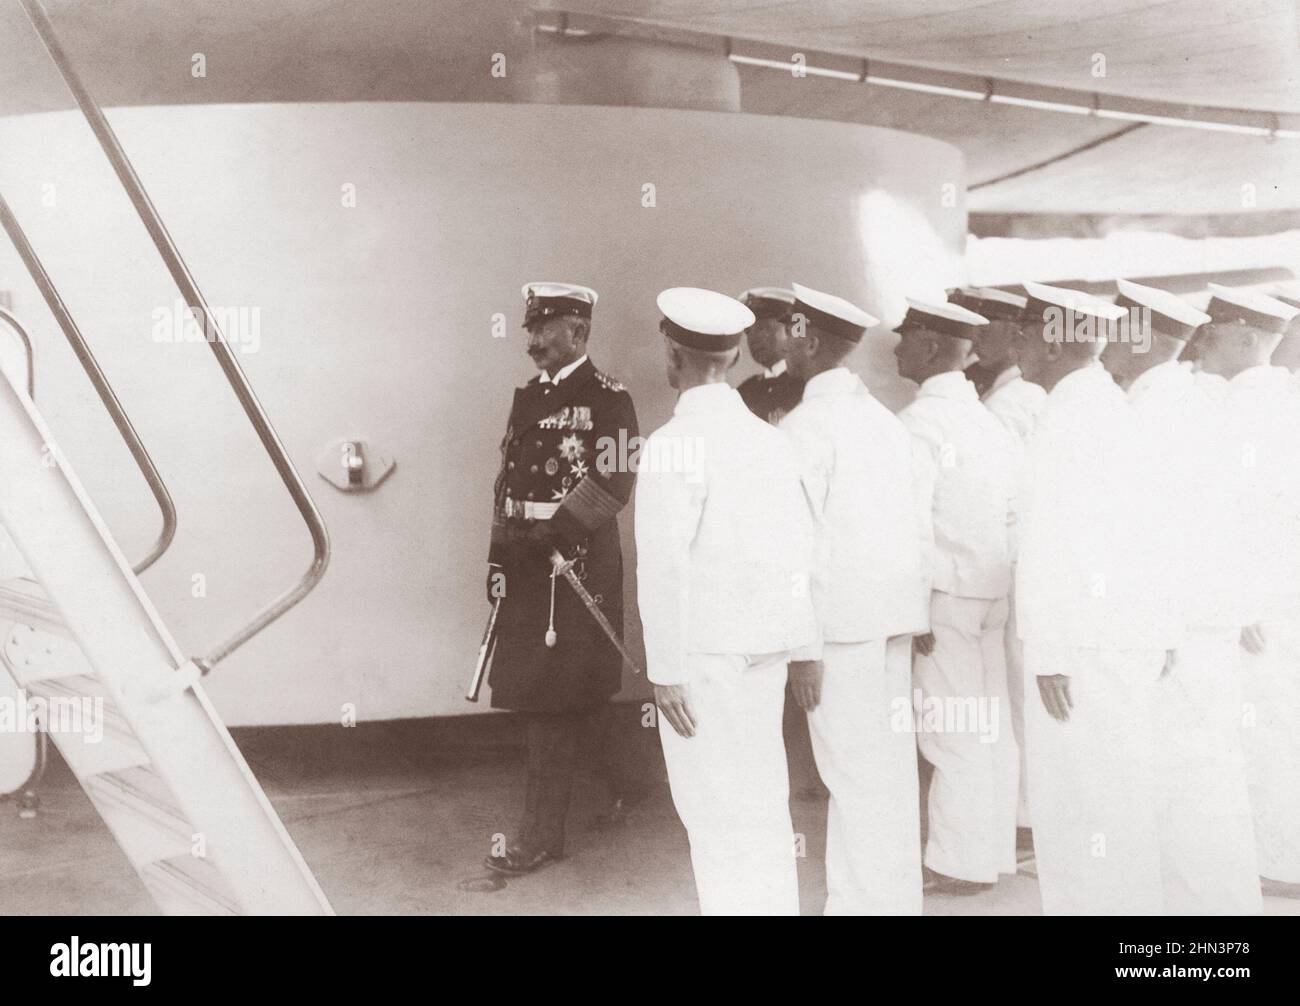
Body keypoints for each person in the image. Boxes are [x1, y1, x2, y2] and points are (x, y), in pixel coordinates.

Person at [635, 286, 819, 916]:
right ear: (736, 356)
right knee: (764, 804)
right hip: (764, 649)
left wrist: (664, 672)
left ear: (672, 355)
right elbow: (801, 551)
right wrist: (803, 648)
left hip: (704, 657)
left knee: (713, 814)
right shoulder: (771, 439)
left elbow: (664, 565)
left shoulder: (672, 443)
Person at [1013, 281, 1179, 914]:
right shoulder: (1113, 406)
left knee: (1078, 808)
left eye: (1024, 332)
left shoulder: (1067, 418)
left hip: (1081, 641)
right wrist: (1162, 629)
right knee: (1119, 797)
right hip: (1125, 634)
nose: (1016, 344)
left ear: (1048, 340)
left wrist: (1047, 649)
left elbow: (1051, 537)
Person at [1102, 278, 1261, 914]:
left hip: (1179, 629)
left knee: (1187, 781)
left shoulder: (1154, 413)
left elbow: (1159, 534)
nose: (1102, 345)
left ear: (1139, 339)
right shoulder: (1186, 404)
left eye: (1113, 331)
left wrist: (1156, 627)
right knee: (1203, 777)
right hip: (1199, 622)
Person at [779, 282, 928, 915]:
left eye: (788, 330)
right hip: (891, 625)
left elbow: (798, 547)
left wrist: (802, 649)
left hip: (838, 634)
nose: (781, 341)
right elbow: (917, 526)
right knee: (885, 778)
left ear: (808, 339)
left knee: (853, 780)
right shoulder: (884, 423)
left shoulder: (806, 427)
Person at [482, 282, 639, 875]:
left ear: (579, 331)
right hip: (527, 565)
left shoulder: (608, 397)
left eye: (543, 329)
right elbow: (509, 484)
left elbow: (618, 476)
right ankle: (633, 783)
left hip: (576, 569)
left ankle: (541, 835)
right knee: (558, 693)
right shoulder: (526, 398)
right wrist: (499, 558)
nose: (531, 342)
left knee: (554, 699)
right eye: (529, 329)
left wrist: (560, 533)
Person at [893, 298, 1019, 894]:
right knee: (990, 725)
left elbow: (912, 524)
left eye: (907, 337)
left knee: (950, 730)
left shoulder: (920, 424)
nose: (897, 348)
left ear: (932, 347)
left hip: (945, 595)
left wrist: (913, 607)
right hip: (992, 592)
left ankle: (957, 863)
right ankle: (989, 853)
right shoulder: (985, 418)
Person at [1194, 283, 1300, 886]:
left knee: (1265, 729)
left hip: (1263, 599)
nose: (1200, 347)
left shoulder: (1245, 411)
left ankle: (1280, 864)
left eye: (1209, 336)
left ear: (1240, 337)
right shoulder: (1280, 401)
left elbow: (1243, 514)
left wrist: (1244, 596)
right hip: (1277, 592)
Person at [949, 287, 1045, 832]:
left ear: (1018, 333)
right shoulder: (1000, 398)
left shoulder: (1014, 403)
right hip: (1007, 566)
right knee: (1009, 691)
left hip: (1011, 564)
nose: (978, 338)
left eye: (990, 326)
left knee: (1017, 690)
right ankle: (1021, 811)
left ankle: (1026, 815)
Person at [736, 287, 806, 424]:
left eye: (764, 328)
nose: (754, 338)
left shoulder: (808, 385)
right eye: (749, 332)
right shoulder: (745, 390)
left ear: (790, 331)